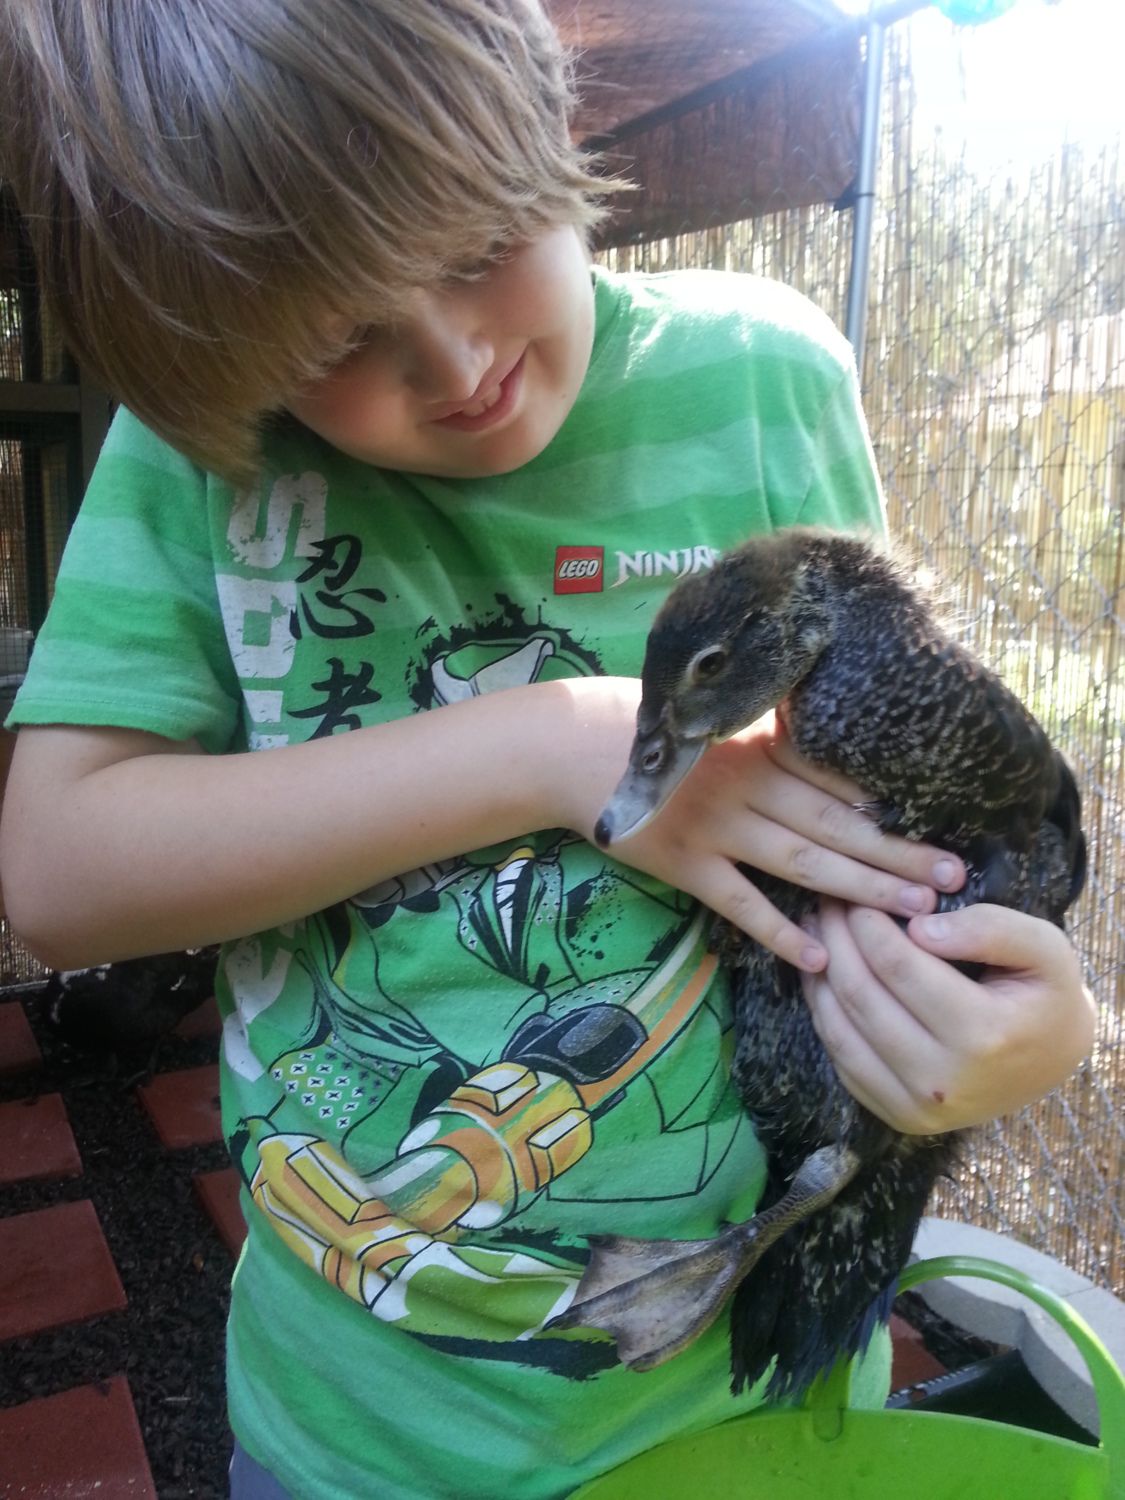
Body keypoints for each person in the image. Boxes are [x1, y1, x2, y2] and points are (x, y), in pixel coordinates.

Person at [0, 2, 1094, 1497]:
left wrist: (1003, 1032)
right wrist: (542, 746)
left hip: (755, 1418)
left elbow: (884, 823)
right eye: (334, 337)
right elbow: (55, 875)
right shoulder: (202, 455)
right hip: (362, 1433)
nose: (456, 361)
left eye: (472, 242)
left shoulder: (766, 376)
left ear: (545, 116)